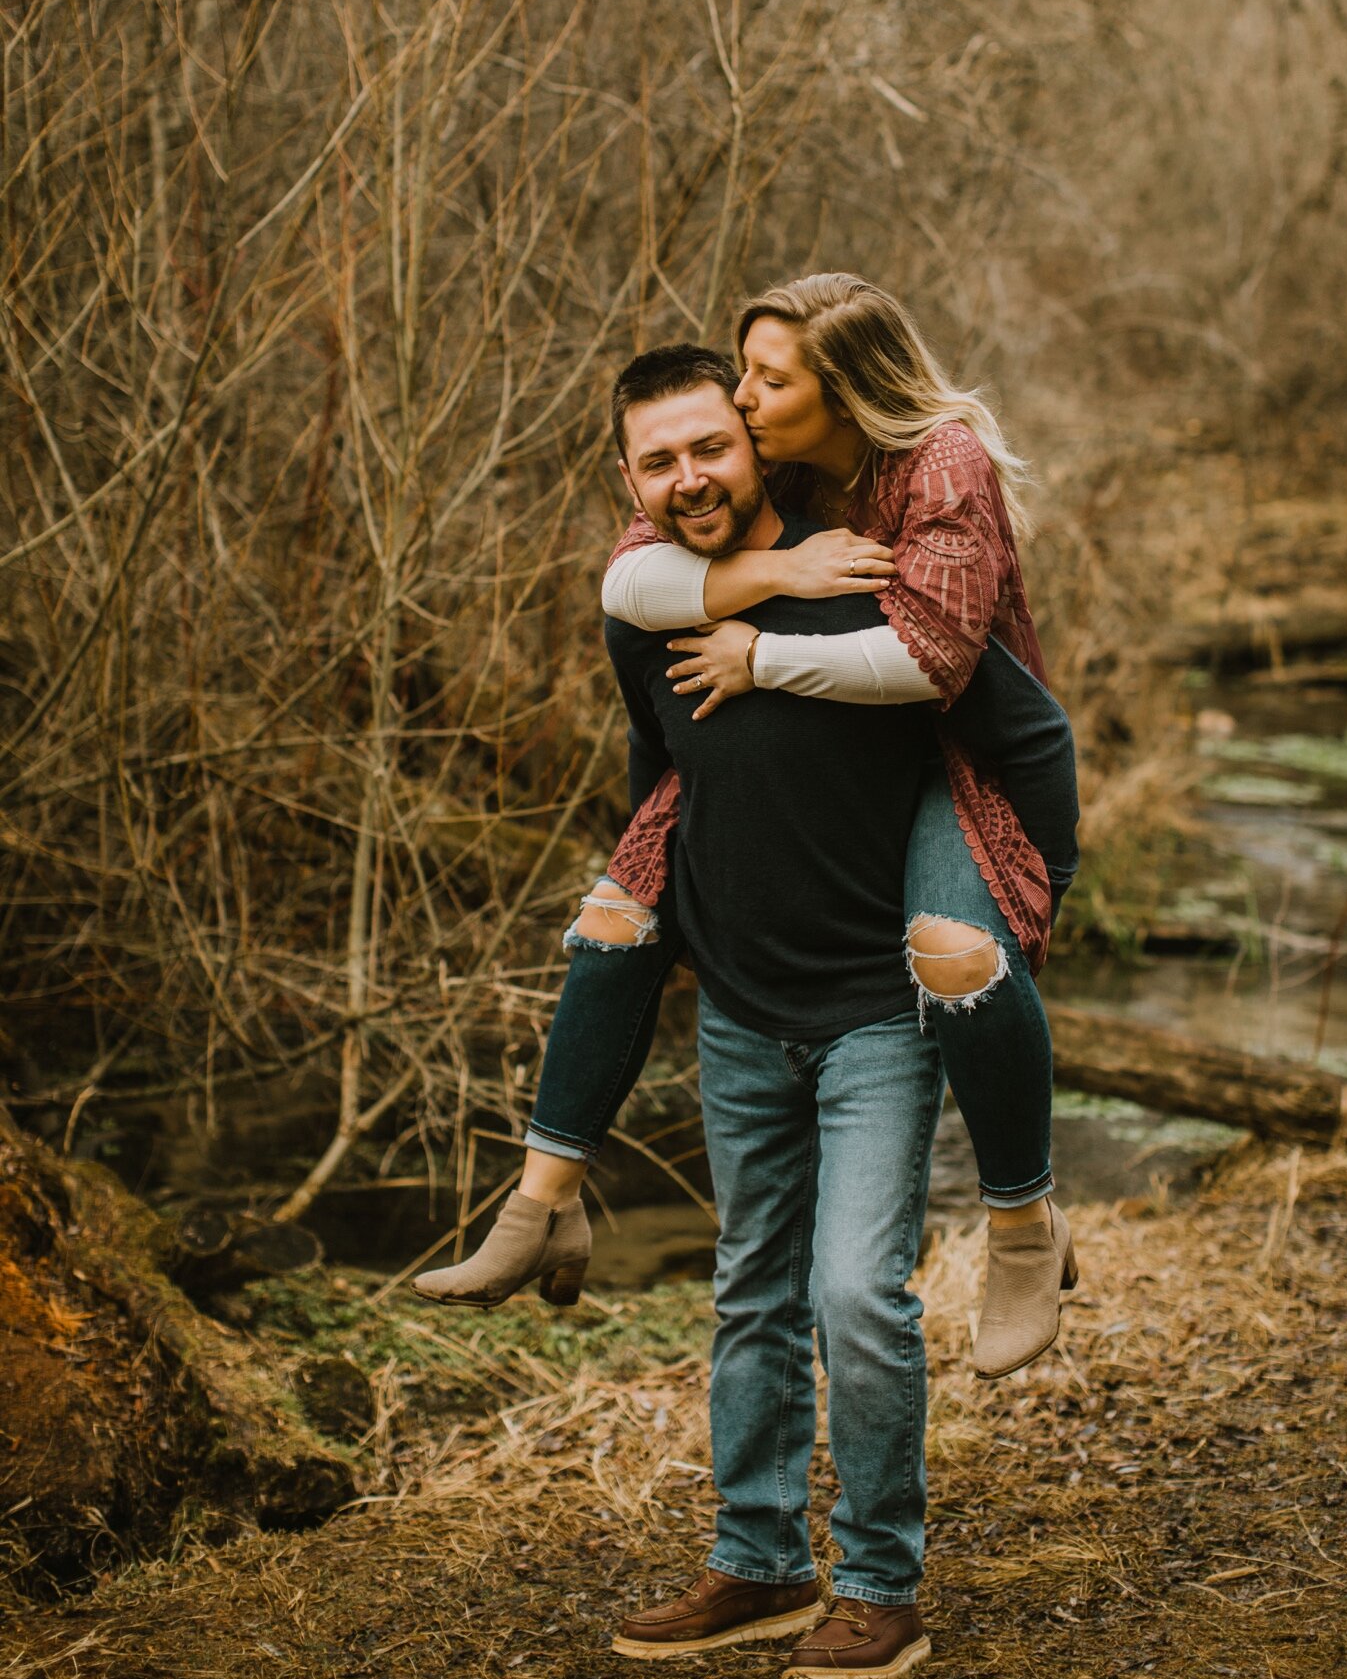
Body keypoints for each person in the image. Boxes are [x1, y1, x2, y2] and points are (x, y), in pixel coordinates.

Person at [416, 276, 1080, 1376]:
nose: (745, 395)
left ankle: (1023, 1221)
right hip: (793, 753)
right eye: (748, 373)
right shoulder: (751, 472)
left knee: (956, 954)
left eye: (769, 380)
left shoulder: (935, 465)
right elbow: (628, 585)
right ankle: (544, 1196)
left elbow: (937, 667)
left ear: (843, 391)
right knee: (618, 914)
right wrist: (769, 572)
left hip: (971, 761)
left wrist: (761, 652)